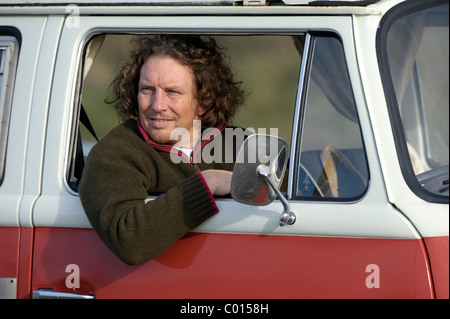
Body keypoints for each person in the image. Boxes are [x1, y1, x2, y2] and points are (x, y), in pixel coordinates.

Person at [78, 35, 246, 265]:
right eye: (147, 90)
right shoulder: (115, 153)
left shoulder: (242, 143)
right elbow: (129, 240)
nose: (157, 105)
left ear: (203, 102)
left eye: (172, 92)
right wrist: (208, 183)